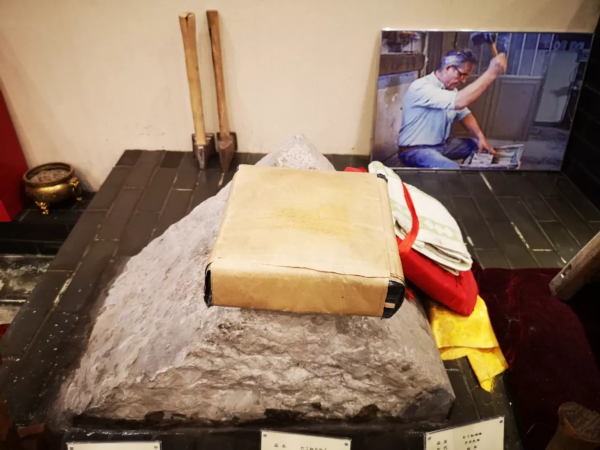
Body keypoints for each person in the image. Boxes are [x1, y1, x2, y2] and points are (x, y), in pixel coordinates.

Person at [397, 49, 508, 169]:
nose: (464, 80)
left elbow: (464, 115)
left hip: (442, 145)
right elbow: (459, 102)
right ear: (448, 68)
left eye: (466, 76)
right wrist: (492, 73)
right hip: (415, 150)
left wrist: (480, 137)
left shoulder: (451, 90)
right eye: (462, 74)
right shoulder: (421, 87)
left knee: (477, 147)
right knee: (452, 169)